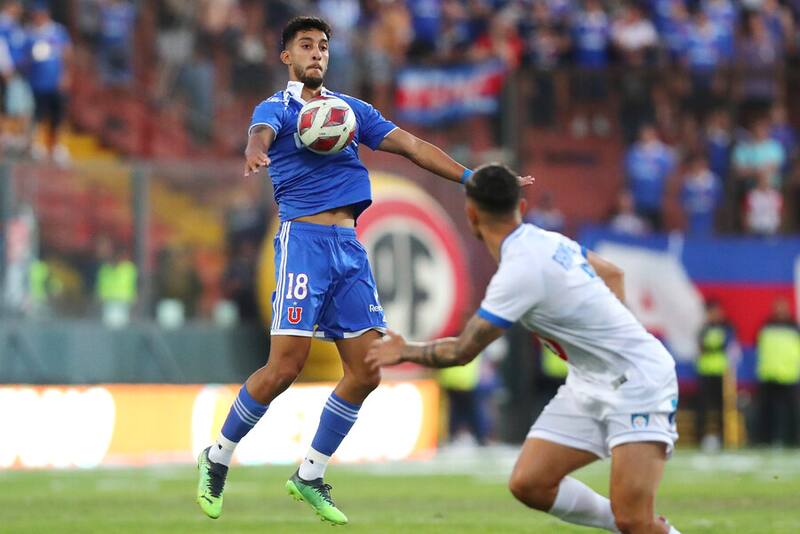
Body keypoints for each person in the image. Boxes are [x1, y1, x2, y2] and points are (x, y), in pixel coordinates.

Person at [195, 16, 532, 525]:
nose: (316, 53)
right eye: (305, 45)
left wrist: (472, 177)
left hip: (348, 247)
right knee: (285, 367)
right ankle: (218, 456)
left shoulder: (350, 111)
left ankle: (309, 474)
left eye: (322, 46)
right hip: (303, 244)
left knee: (367, 370)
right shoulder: (276, 108)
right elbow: (260, 134)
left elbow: (413, 147)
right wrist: (254, 149)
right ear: (286, 56)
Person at [367, 163, 681, 534]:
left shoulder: (518, 273)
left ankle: (644, 527)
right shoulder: (547, 240)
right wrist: (610, 342)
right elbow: (613, 273)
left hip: (637, 382)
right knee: (530, 483)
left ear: (471, 214)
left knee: (634, 520)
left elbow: (462, 352)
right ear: (521, 206)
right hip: (590, 381)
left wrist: (405, 351)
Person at [754, 297, 800, 446]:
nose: (780, 311)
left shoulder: (795, 328)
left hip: (789, 375)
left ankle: (793, 440)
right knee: (768, 411)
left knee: (792, 411)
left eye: (783, 307)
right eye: (777, 307)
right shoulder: (766, 327)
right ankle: (767, 440)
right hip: (768, 374)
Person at [694, 300, 737, 452]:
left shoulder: (727, 328)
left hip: (721, 373)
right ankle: (700, 438)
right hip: (705, 372)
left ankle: (722, 438)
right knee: (703, 408)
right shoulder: (703, 329)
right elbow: (701, 347)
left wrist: (710, 347)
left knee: (721, 408)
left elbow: (727, 347)